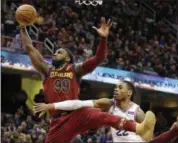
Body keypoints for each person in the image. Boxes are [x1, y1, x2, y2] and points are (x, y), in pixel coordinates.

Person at [20, 17, 155, 142]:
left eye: (60, 52)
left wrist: (103, 39)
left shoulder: (75, 70)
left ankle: (138, 128)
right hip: (58, 121)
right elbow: (30, 48)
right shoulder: (46, 70)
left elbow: (99, 58)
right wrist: (22, 27)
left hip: (76, 114)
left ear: (67, 59)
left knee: (100, 115)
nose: (55, 53)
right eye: (55, 52)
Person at [34, 80, 156, 142]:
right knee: (86, 110)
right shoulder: (109, 103)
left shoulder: (137, 111)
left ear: (129, 93)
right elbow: (78, 104)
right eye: (115, 87)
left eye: (120, 88)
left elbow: (149, 136)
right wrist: (52, 106)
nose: (115, 90)